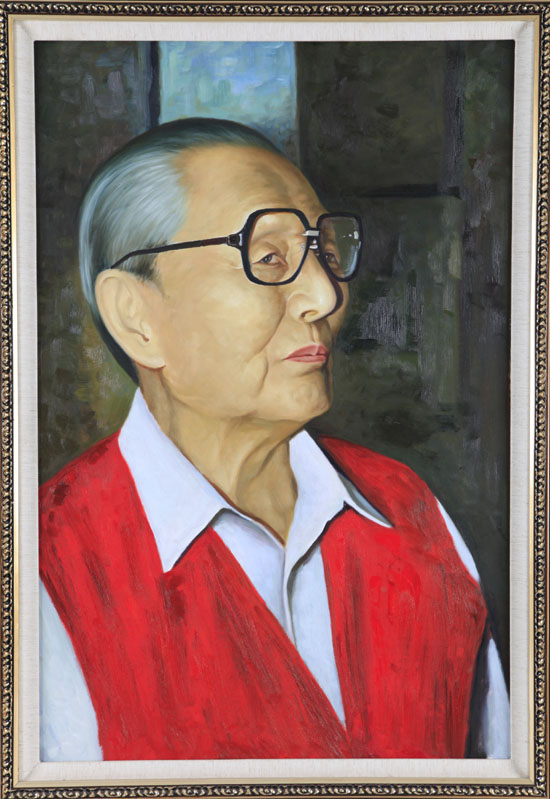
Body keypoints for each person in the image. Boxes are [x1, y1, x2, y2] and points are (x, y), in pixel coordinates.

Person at [39, 118, 510, 762]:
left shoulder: (411, 513)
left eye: (326, 253)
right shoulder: (50, 568)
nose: (324, 295)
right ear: (136, 316)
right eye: (268, 259)